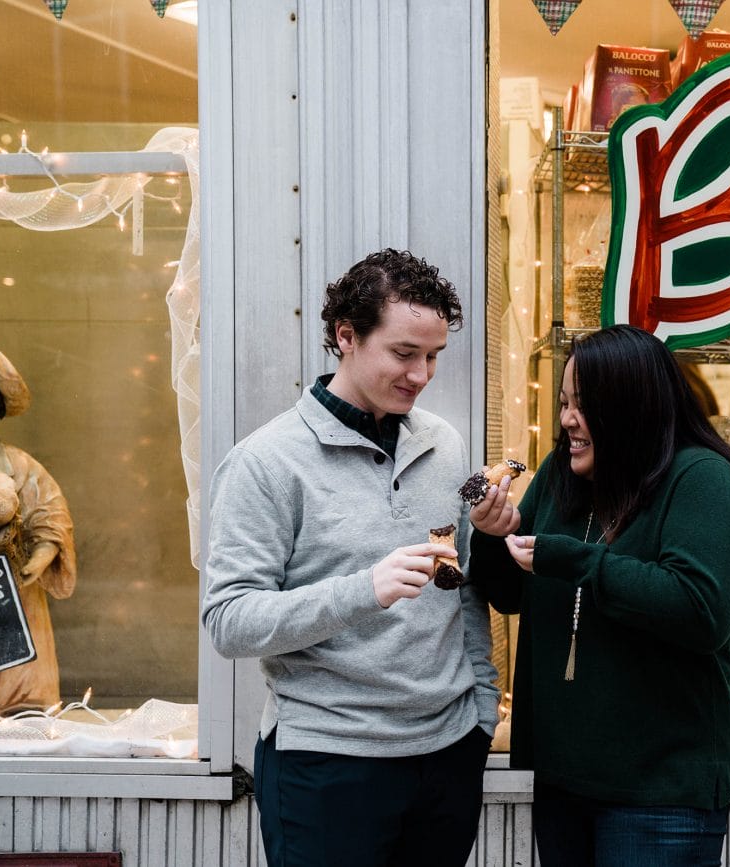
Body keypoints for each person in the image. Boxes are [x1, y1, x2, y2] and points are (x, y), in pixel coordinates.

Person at [201, 249, 505, 867]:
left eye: (433, 357)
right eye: (403, 353)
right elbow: (229, 621)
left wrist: (480, 710)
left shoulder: (446, 446)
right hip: (326, 762)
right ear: (346, 336)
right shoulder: (266, 462)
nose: (421, 375)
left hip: (447, 753)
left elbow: (462, 589)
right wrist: (364, 589)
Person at [467, 324, 730, 866]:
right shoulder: (561, 474)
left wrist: (575, 561)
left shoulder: (702, 480)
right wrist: (490, 533)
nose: (567, 419)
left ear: (630, 406)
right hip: (563, 780)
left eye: (583, 404)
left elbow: (700, 609)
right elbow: (510, 594)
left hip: (660, 791)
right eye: (564, 402)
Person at [0, 339, 77, 714]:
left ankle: (22, 708)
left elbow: (50, 511)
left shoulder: (18, 465)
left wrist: (44, 553)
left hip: (9, 589)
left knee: (18, 676)